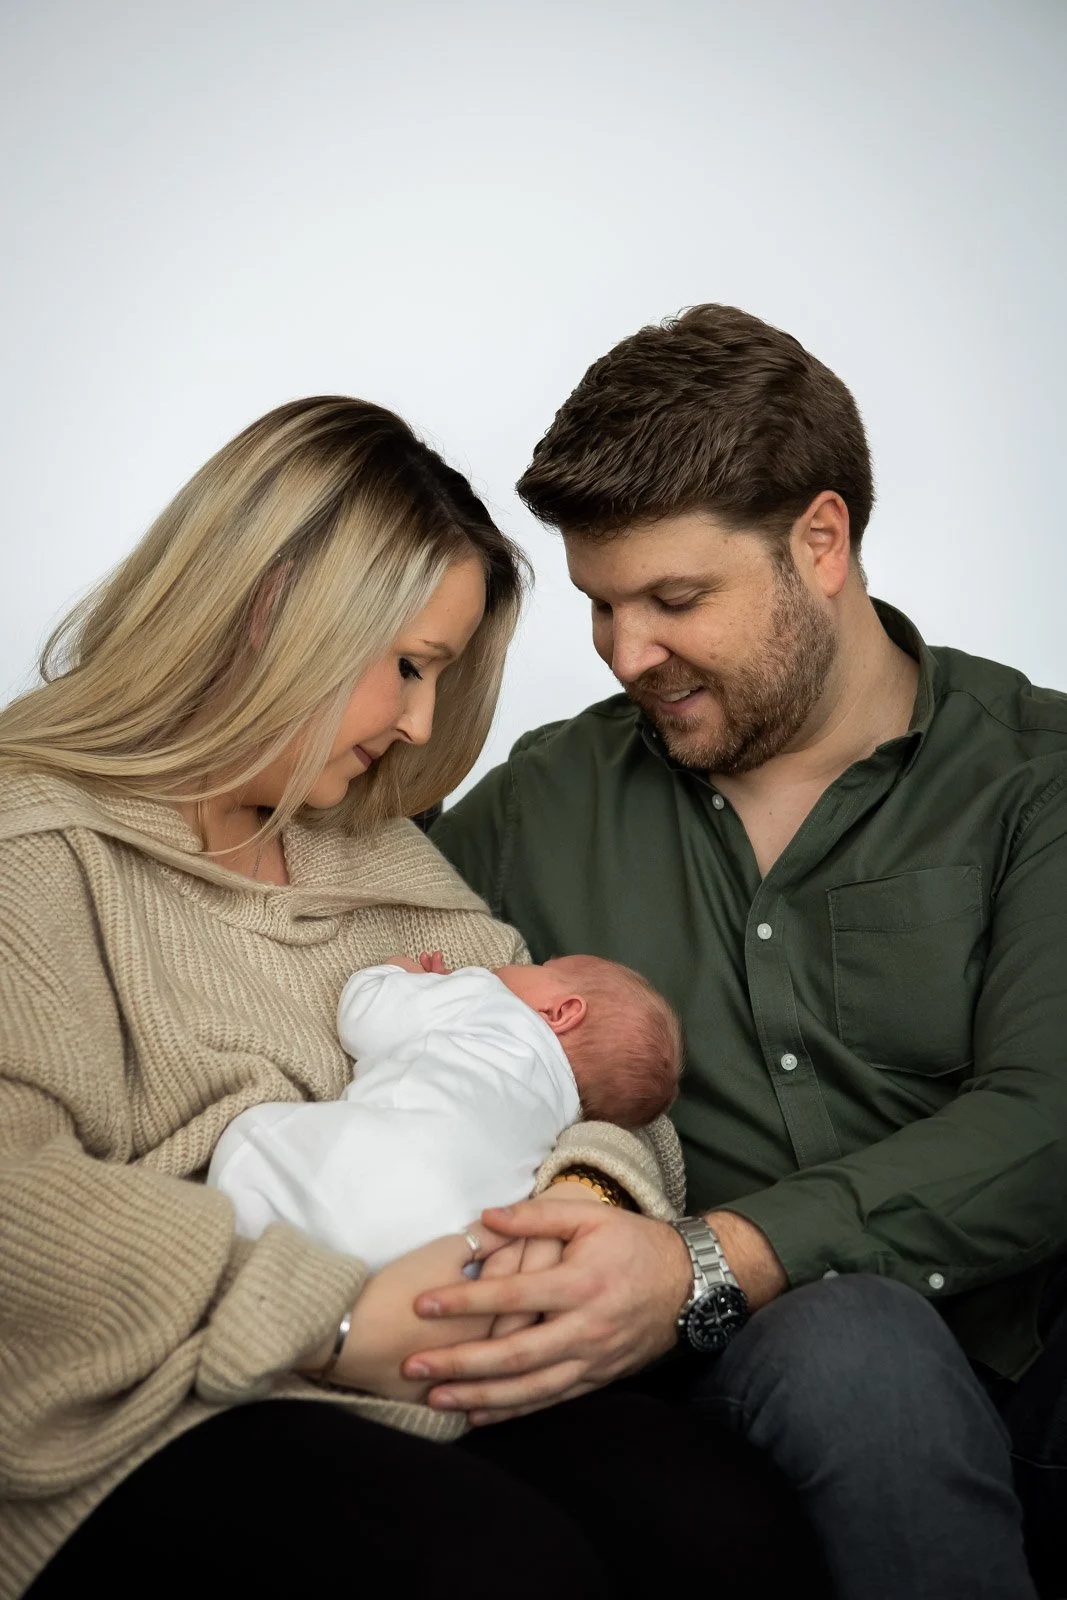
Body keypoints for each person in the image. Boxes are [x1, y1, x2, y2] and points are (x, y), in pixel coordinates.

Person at [0, 394, 827, 1600]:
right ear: (277, 611)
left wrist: (586, 1205)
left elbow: (572, 1067)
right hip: (159, 1404)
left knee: (727, 1524)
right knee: (493, 1571)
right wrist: (330, 1318)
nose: (421, 724)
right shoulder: (39, 845)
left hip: (440, 1354)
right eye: (407, 667)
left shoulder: (377, 855)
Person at [429, 306, 1067, 1599]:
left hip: (1029, 1358)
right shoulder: (538, 806)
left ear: (817, 542)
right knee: (852, 1349)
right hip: (749, 1392)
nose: (622, 654)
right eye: (600, 605)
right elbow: (321, 904)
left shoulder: (1032, 778)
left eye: (672, 600)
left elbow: (1045, 1117)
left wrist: (706, 1256)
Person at [208, 951, 682, 1283]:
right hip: (439, 1250)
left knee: (253, 1137)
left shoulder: (489, 1001)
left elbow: (365, 1017)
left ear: (560, 1011)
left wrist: (401, 975)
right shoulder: (561, 1122)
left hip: (364, 1170)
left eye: (542, 965)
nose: (519, 962)